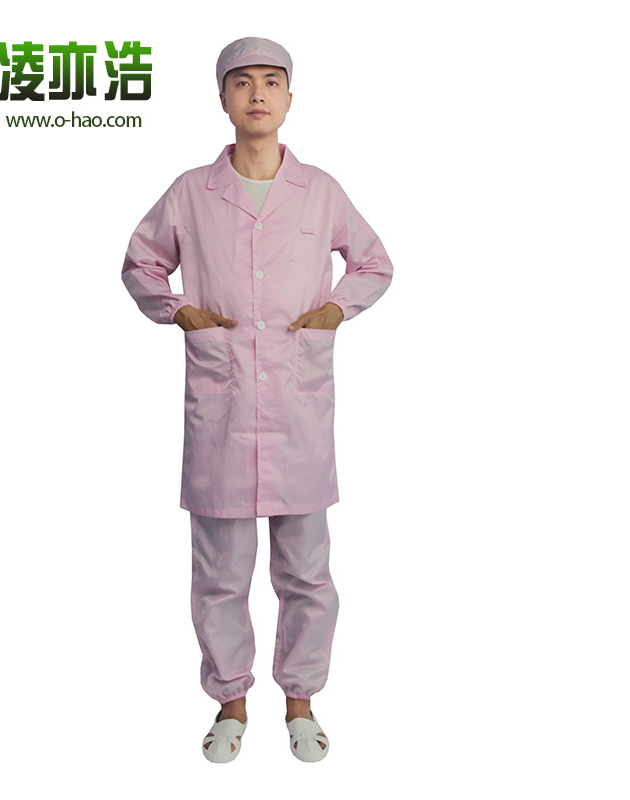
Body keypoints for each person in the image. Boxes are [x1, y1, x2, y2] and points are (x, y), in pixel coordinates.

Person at [121, 36, 394, 762]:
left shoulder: (321, 191)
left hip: (298, 409)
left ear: (290, 98)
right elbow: (141, 261)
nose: (258, 94)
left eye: (272, 81)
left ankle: (301, 702)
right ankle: (231, 703)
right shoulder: (191, 191)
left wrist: (335, 310)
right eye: (242, 83)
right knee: (219, 574)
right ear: (223, 99)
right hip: (224, 408)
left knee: (306, 571)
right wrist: (179, 311)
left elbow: (373, 263)